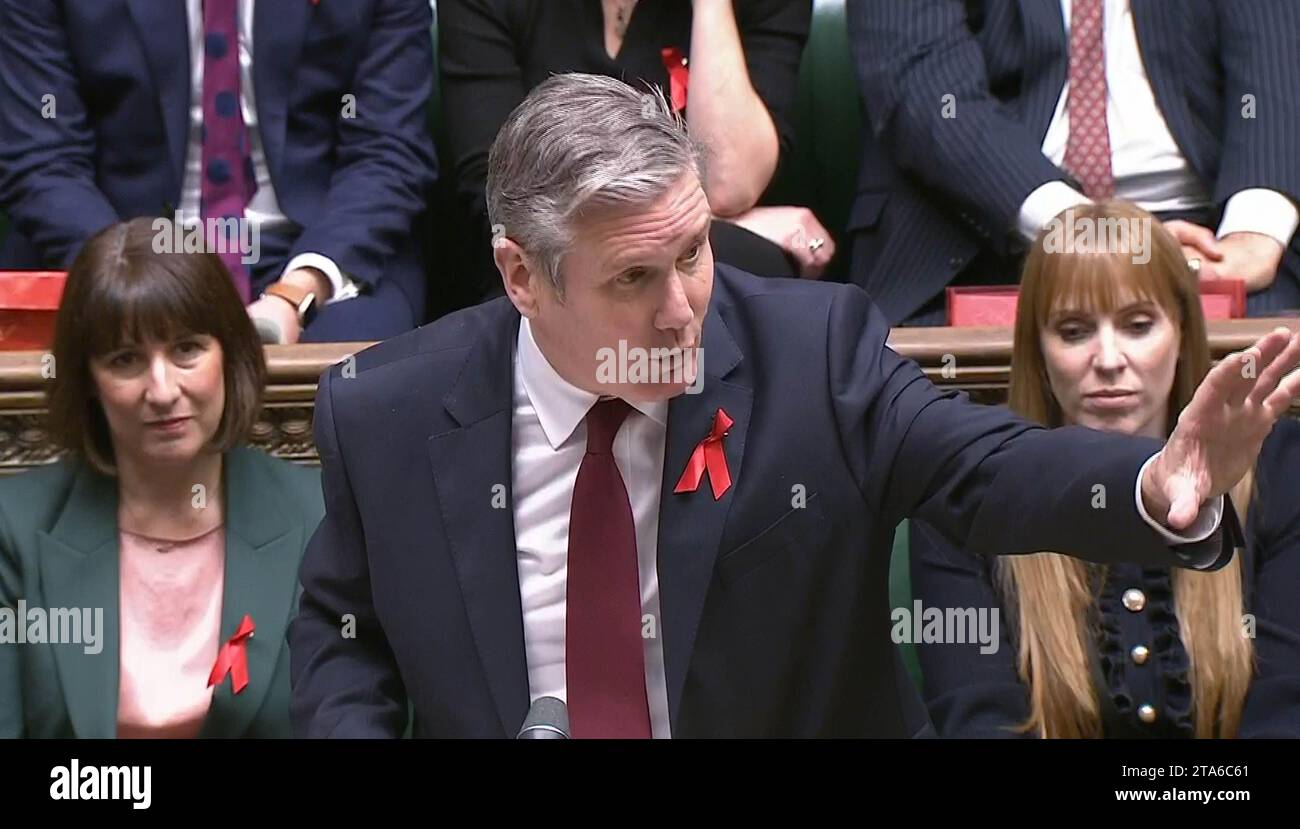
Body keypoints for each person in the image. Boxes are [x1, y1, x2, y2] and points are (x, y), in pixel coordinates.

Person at [287, 74, 1300, 739]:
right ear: (521, 275)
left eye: (694, 252)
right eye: (635, 277)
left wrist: (1155, 483)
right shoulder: (388, 411)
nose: (685, 307)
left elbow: (980, 469)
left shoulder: (815, 355)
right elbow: (342, 632)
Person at [909, 202, 1300, 738]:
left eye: (1138, 325)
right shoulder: (965, 488)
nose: (1109, 358)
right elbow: (979, 721)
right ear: (1039, 353)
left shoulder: (1280, 465)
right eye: (1073, 331)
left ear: (1183, 332)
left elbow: (1286, 713)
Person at [0, 219, 324, 738]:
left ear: (230, 355)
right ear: (89, 381)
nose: (162, 389)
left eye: (186, 350)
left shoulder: (319, 520)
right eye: (125, 360)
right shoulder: (12, 530)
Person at [0, 0, 438, 342]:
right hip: (119, 239)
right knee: (94, 366)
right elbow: (44, 158)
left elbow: (387, 150)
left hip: (319, 246)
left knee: (360, 387)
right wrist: (135, 281)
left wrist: (297, 291)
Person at [847, 0, 1300, 325]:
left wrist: (1253, 233)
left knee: (1276, 382)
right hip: (983, 232)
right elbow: (924, 88)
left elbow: (1275, 61)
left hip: (1209, 236)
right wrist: (1092, 231)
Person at [437, 0, 833, 311]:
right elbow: (500, 192)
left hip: (717, 270)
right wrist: (710, 223)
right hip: (546, 268)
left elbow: (729, 182)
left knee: (733, 271)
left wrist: (710, 5)